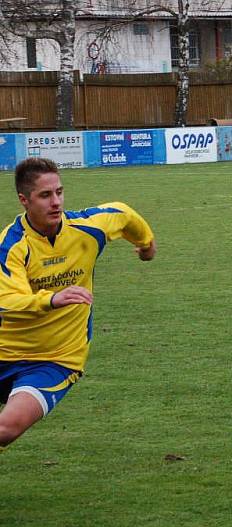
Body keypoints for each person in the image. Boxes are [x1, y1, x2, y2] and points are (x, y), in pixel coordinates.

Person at [0, 157, 156, 450]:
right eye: (45, 195)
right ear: (24, 200)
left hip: (56, 359)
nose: (56, 202)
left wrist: (147, 245)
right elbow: (7, 301)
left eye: (59, 192)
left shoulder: (86, 228)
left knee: (5, 430)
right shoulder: (11, 246)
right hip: (5, 350)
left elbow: (122, 214)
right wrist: (52, 298)